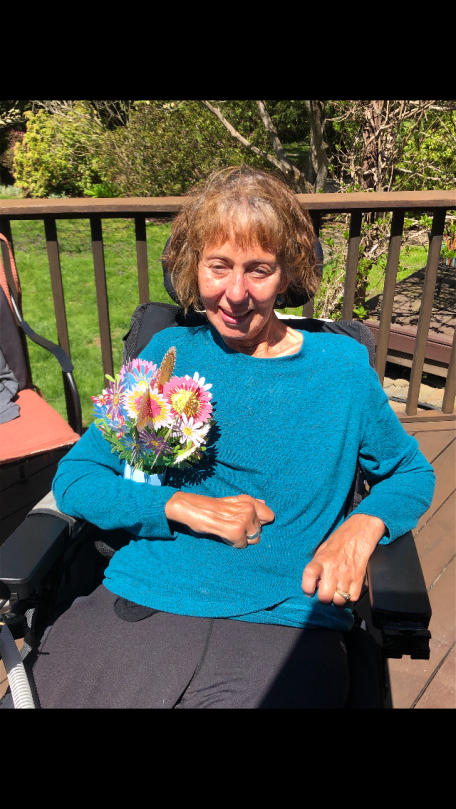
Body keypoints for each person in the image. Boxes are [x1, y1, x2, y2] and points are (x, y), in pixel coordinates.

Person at [32, 167, 435, 709]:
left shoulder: (341, 367)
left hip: (285, 619)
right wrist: (178, 504)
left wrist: (361, 528)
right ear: (194, 265)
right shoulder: (168, 355)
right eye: (218, 266)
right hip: (145, 597)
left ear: (287, 273)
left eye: (259, 270)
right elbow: (78, 476)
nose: (235, 294)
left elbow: (410, 472)